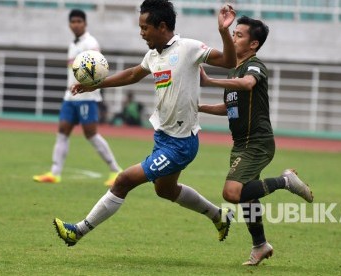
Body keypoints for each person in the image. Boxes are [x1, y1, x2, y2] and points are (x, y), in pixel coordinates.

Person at [53, 0, 237, 248]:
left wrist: (224, 31)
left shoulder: (189, 48)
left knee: (123, 180)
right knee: (165, 191)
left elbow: (228, 61)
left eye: (144, 28)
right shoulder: (153, 55)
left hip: (180, 145)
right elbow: (132, 74)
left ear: (162, 26)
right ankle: (219, 216)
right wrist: (94, 84)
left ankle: (79, 231)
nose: (141, 33)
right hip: (163, 138)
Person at [198, 16, 314, 266]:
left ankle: (285, 181)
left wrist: (208, 81)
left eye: (239, 35)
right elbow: (230, 107)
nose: (233, 38)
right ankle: (260, 245)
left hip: (257, 142)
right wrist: (198, 107)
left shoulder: (255, 66)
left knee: (232, 192)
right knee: (247, 197)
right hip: (241, 143)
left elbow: (248, 85)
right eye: (233, 33)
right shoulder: (235, 70)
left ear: (253, 44)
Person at [33, 9, 122, 186]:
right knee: (62, 131)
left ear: (85, 23)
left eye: (79, 21)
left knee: (91, 134)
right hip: (70, 96)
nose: (76, 24)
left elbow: (99, 68)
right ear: (69, 24)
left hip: (86, 97)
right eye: (73, 21)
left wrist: (90, 87)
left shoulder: (90, 43)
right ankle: (55, 173)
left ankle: (116, 171)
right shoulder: (72, 45)